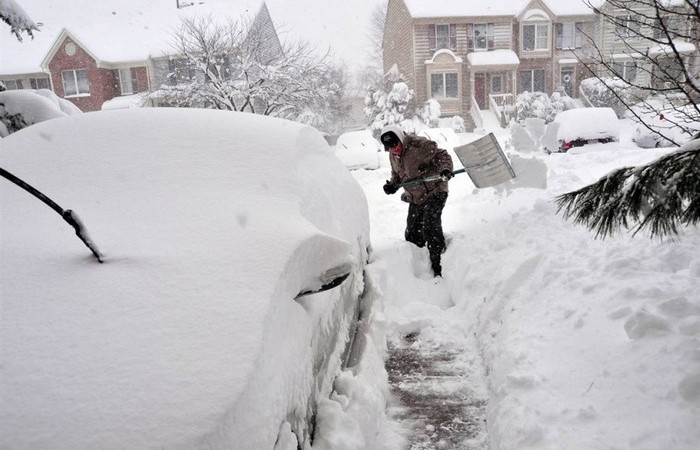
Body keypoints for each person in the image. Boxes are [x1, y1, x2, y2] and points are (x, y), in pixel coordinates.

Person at [380, 124, 454, 277]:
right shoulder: (393, 155)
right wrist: (393, 185)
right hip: (417, 197)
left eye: (394, 145)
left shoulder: (419, 146)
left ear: (400, 139)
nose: (393, 150)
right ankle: (418, 269)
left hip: (435, 190)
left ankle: (439, 265)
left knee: (430, 226)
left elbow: (443, 156)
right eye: (389, 148)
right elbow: (397, 174)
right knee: (412, 232)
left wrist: (445, 170)